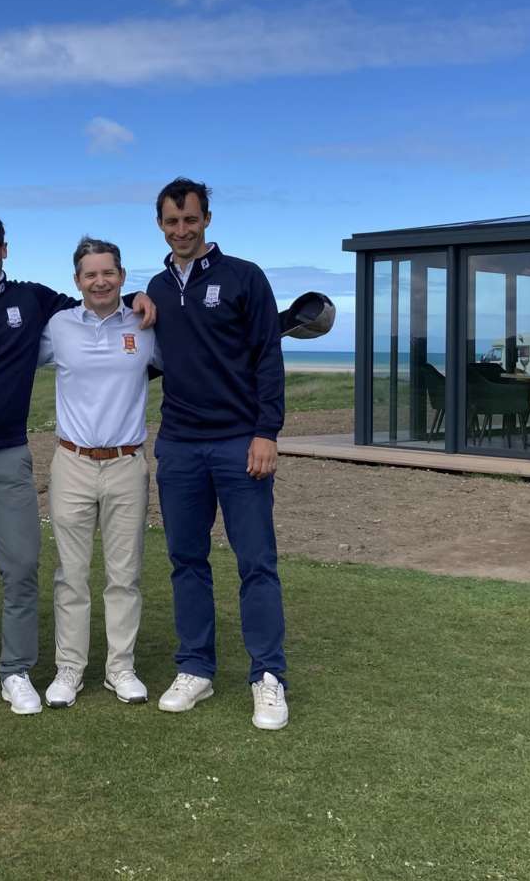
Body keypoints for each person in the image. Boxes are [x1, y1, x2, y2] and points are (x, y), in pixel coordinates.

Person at [0, 213, 155, 716]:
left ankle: (18, 671)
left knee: (22, 568)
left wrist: (143, 298)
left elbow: (103, 304)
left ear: (4, 250)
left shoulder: (34, 301)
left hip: (12, 453)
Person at [147, 177, 290, 731]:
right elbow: (152, 360)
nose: (181, 230)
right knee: (186, 561)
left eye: (190, 219)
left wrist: (266, 431)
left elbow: (267, 359)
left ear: (207, 219)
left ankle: (268, 677)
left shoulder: (243, 278)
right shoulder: (155, 290)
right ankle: (196, 668)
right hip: (179, 443)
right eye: (171, 222)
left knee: (256, 563)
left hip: (239, 443)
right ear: (160, 224)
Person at [38, 237, 155, 708]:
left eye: (108, 273)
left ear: (123, 277)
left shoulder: (146, 322)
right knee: (71, 574)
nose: (100, 281)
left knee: (124, 575)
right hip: (72, 462)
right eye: (90, 274)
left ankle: (120, 668)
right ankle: (70, 668)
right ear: (77, 281)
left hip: (128, 462)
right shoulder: (58, 326)